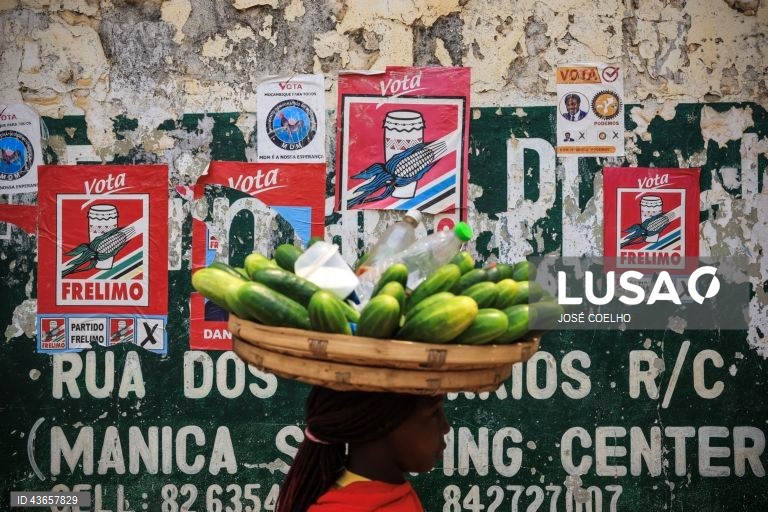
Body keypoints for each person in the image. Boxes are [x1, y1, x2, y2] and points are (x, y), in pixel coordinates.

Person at [276, 386, 450, 512]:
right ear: (384, 422)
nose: (446, 427)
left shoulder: (390, 493)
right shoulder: (349, 506)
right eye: (434, 413)